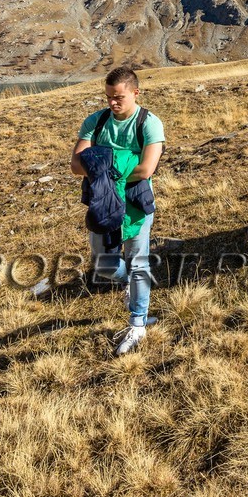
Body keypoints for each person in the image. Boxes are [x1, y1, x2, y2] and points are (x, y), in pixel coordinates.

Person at [70, 66, 166, 356]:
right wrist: (119, 166)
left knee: (139, 263)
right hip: (103, 205)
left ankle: (138, 322)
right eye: (109, 96)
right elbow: (76, 165)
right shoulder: (96, 122)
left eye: (119, 97)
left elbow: (147, 168)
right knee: (104, 265)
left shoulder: (149, 123)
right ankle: (130, 284)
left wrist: (102, 169)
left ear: (135, 93)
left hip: (136, 205)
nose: (112, 103)